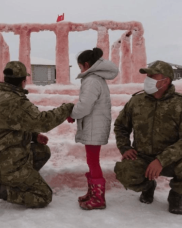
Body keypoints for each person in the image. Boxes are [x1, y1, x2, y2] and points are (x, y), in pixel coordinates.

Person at [0, 61, 74, 215]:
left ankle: (16, 181)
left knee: (42, 151)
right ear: (23, 81)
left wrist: (33, 136)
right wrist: (67, 108)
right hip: (4, 163)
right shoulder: (15, 101)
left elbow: (10, 125)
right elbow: (43, 121)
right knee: (43, 196)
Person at [113, 60, 182, 215]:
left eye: (152, 76)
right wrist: (125, 147)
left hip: (172, 160)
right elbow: (121, 126)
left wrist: (162, 160)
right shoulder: (136, 101)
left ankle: (176, 195)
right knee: (125, 171)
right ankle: (148, 186)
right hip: (143, 158)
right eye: (147, 76)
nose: (148, 79)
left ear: (166, 81)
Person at [67, 47, 119, 210]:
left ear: (86, 64)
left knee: (93, 161)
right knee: (91, 160)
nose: (80, 70)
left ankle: (98, 198)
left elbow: (84, 106)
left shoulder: (91, 80)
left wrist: (72, 113)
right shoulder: (95, 79)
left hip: (94, 126)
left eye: (80, 67)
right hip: (94, 125)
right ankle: (93, 193)